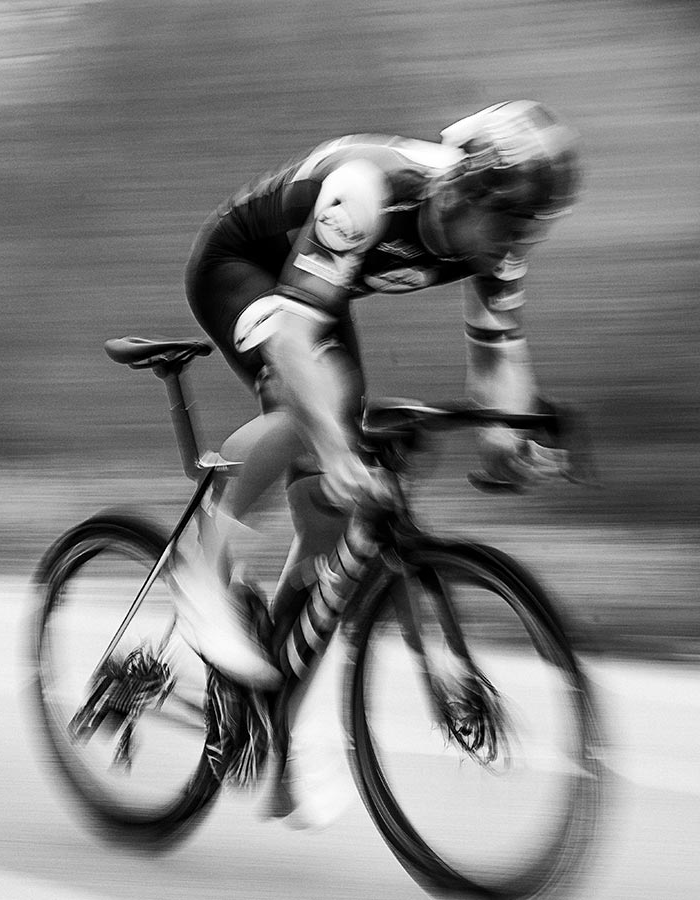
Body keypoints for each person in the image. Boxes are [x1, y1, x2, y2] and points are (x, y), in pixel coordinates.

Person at [179, 101, 581, 823]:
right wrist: (331, 446)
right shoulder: (367, 189)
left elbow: (498, 364)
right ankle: (201, 565)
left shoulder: (497, 243)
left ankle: (277, 725)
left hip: (316, 293)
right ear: (467, 191)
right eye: (512, 223)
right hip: (240, 265)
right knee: (315, 409)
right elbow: (296, 343)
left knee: (335, 539)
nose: (517, 243)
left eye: (531, 228)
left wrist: (512, 442)